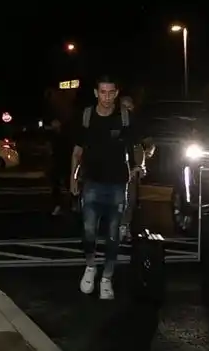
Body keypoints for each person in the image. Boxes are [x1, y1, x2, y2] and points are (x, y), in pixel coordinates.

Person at [70, 76, 143, 300]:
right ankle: (90, 266)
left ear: (116, 93)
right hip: (92, 183)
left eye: (111, 92)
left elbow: (138, 145)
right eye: (103, 92)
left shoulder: (124, 117)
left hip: (117, 185)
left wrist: (137, 166)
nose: (107, 97)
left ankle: (107, 278)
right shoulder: (87, 116)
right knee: (89, 231)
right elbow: (77, 151)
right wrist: (73, 178)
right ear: (96, 93)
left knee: (113, 235)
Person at [118, 95, 154, 239]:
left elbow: (148, 144)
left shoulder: (138, 125)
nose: (126, 110)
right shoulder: (113, 123)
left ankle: (124, 225)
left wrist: (142, 162)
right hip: (115, 164)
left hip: (132, 167)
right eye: (123, 107)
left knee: (130, 198)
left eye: (129, 107)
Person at [48, 117, 73, 215]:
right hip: (59, 163)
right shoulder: (56, 137)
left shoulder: (62, 137)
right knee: (58, 186)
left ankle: (68, 204)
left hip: (62, 162)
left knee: (65, 185)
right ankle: (62, 205)